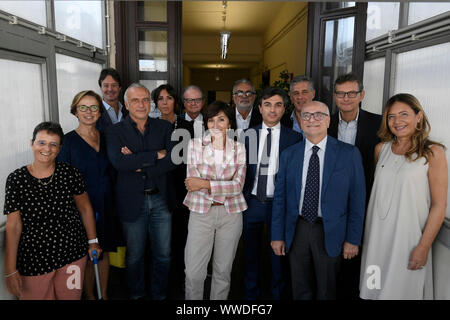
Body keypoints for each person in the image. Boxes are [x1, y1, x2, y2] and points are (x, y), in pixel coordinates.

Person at [271, 101, 366, 300]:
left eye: (318, 115)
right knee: (299, 287)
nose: (312, 120)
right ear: (299, 120)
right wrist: (277, 235)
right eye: (306, 115)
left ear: (329, 120)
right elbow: (280, 199)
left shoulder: (349, 154)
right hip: (298, 229)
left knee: (327, 289)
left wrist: (353, 239)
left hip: (331, 231)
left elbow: (357, 201)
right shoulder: (289, 154)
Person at [360, 93, 447, 300]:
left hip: (408, 242)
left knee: (402, 293)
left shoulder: (433, 153)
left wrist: (423, 246)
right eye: (391, 116)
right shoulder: (381, 149)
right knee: (373, 288)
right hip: (377, 240)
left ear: (419, 116)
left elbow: (439, 205)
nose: (397, 121)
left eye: (404, 114)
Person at [4, 122, 101, 300]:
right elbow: (13, 226)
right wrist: (10, 269)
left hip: (72, 254)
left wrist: (93, 241)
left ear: (59, 148)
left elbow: (85, 208)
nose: (47, 149)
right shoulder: (16, 179)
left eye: (53, 144)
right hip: (34, 260)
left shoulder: (70, 173)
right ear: (31, 143)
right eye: (41, 142)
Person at [105, 83, 175, 300]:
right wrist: (155, 154)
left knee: (163, 255)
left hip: (160, 199)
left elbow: (172, 160)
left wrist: (136, 159)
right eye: (135, 100)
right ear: (126, 104)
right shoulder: (114, 132)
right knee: (134, 256)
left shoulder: (164, 127)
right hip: (131, 201)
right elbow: (119, 163)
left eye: (145, 99)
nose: (141, 104)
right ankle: (136, 295)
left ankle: (159, 295)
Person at [57, 90, 118, 300]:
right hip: (81, 211)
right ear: (75, 111)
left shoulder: (107, 138)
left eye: (93, 107)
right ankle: (90, 296)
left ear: (100, 112)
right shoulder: (67, 143)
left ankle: (104, 295)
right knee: (85, 255)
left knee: (104, 253)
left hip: (107, 205)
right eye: (83, 107)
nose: (89, 112)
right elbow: (62, 184)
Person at [242, 87, 302, 300]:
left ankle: (277, 294)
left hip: (279, 205)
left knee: (278, 256)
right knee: (250, 255)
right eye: (267, 105)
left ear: (285, 109)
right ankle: (251, 297)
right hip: (252, 203)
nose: (272, 109)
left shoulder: (294, 138)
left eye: (278, 105)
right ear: (259, 108)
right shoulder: (247, 136)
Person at [183, 101, 247, 300]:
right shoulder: (194, 145)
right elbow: (191, 183)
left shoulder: (240, 148)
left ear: (229, 123)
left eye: (221, 119)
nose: (216, 124)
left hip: (231, 214)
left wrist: (206, 184)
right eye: (211, 120)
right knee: (194, 272)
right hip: (201, 213)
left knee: (223, 272)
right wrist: (213, 185)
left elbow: (238, 186)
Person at [328, 72, 382, 299]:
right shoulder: (326, 122)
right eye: (341, 94)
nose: (346, 98)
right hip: (330, 203)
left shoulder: (379, 123)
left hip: (366, 200)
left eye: (351, 93)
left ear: (362, 95)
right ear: (335, 96)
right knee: (331, 260)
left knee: (359, 256)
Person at [152, 83, 194, 295]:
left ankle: (179, 279)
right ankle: (161, 282)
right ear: (156, 102)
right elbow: (152, 157)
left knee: (180, 236)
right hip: (158, 185)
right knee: (160, 240)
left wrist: (163, 153)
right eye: (160, 98)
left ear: (175, 101)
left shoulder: (186, 126)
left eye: (169, 98)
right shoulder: (150, 125)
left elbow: (187, 158)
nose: (165, 102)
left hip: (181, 187)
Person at [97, 68, 128, 133]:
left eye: (114, 85)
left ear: (119, 88)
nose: (110, 89)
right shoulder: (95, 112)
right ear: (101, 88)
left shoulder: (127, 110)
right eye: (106, 85)